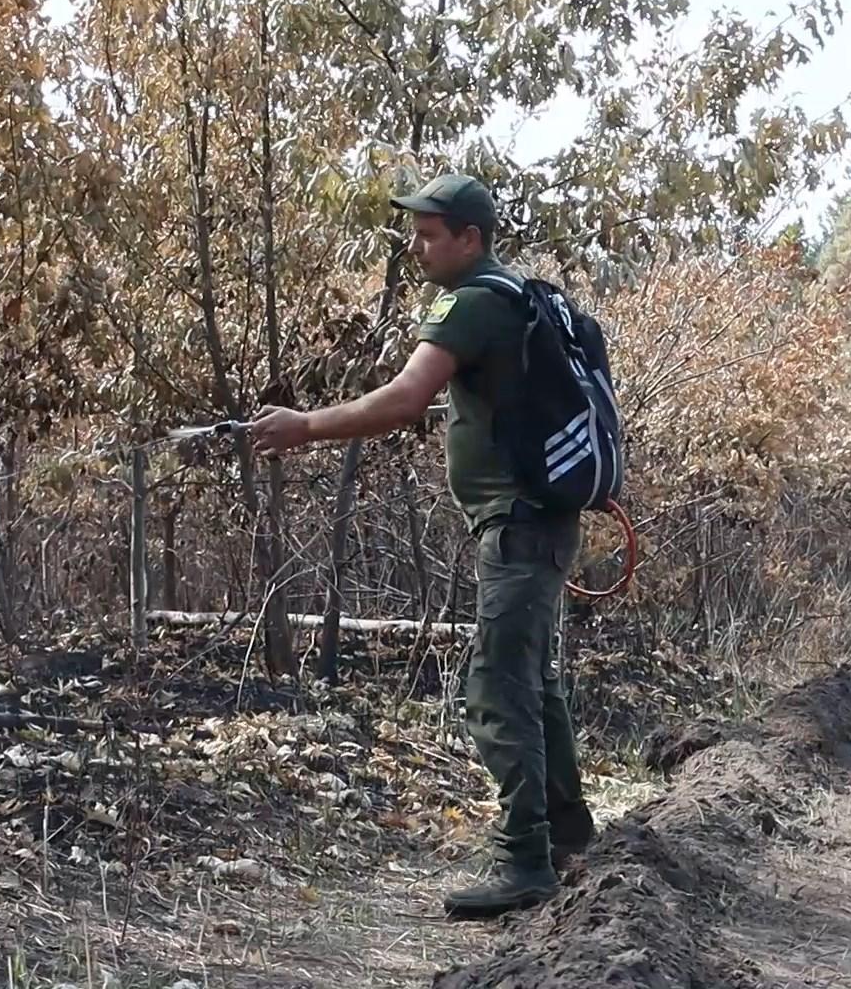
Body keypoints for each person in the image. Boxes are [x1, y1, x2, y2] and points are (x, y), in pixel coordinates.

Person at [249, 173, 595, 918]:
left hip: (518, 523)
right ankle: (568, 838)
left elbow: (406, 398)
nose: (417, 248)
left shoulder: (473, 303)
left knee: (499, 689)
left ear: (470, 238)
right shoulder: (521, 296)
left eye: (429, 235)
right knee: (532, 682)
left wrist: (303, 426)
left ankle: (524, 863)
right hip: (537, 520)